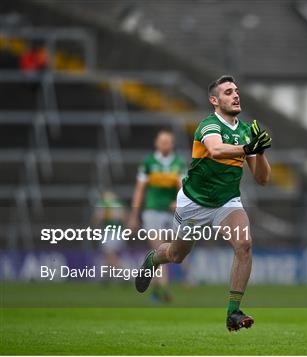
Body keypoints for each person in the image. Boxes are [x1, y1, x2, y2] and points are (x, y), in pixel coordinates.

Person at [135, 75, 272, 331]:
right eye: (228, 92)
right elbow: (216, 150)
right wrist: (248, 147)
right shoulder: (209, 125)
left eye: (236, 91)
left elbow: (262, 179)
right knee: (176, 256)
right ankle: (153, 259)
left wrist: (260, 152)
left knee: (244, 245)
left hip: (227, 202)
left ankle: (233, 312)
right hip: (193, 203)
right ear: (214, 100)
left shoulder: (244, 132)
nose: (235, 95)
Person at [128, 128, 186, 303]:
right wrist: (134, 215)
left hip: (170, 214)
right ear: (157, 144)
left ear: (172, 144)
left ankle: (155, 288)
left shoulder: (178, 163)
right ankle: (164, 289)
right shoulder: (149, 162)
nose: (165, 145)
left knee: (168, 252)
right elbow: (140, 190)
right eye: (162, 142)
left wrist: (180, 201)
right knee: (158, 247)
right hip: (152, 211)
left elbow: (182, 186)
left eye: (168, 142)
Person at [92, 191, 126, 275]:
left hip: (111, 233)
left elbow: (98, 218)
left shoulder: (104, 204)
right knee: (108, 254)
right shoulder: (119, 203)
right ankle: (106, 276)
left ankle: (123, 273)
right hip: (118, 232)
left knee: (109, 253)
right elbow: (124, 217)